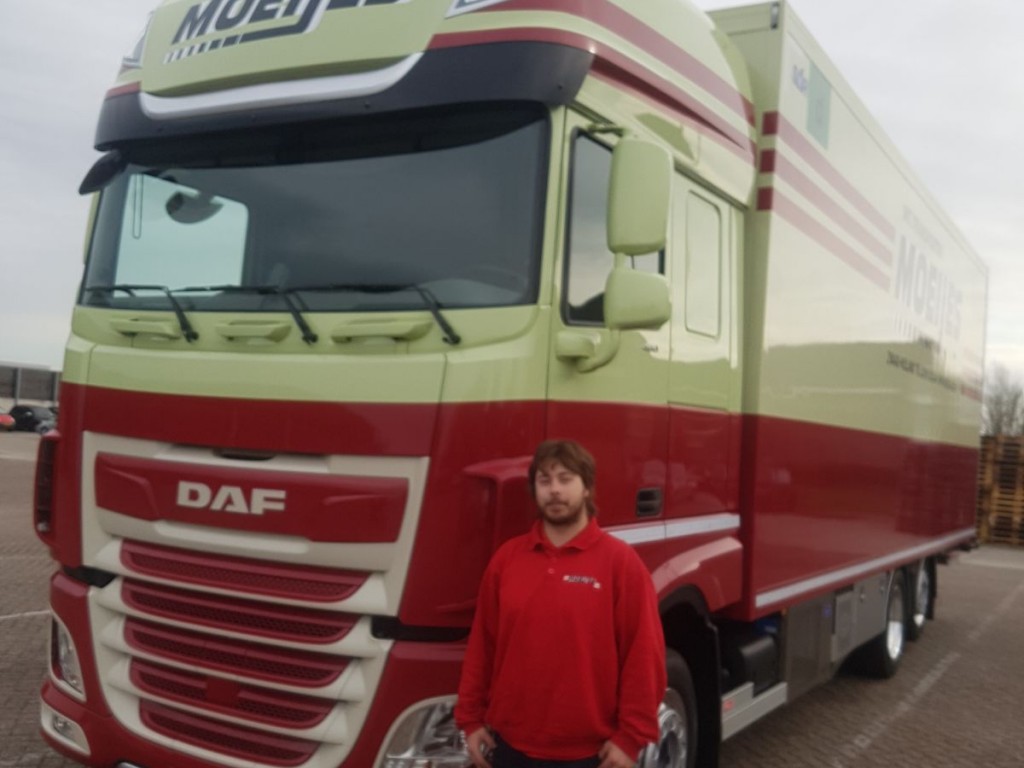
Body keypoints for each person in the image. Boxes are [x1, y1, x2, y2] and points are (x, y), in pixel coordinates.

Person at [455, 439, 666, 768]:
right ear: (534, 490)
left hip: (589, 756)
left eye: (566, 479)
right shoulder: (507, 559)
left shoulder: (620, 562)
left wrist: (630, 738)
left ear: (587, 488)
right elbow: (482, 647)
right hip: (509, 748)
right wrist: (470, 720)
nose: (554, 490)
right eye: (545, 480)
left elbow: (643, 655)